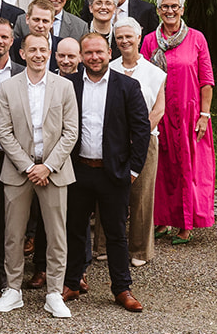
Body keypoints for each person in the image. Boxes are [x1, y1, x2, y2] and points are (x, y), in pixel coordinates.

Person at [0, 33, 79, 317]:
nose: (38, 54)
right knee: (13, 234)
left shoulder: (64, 87)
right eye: (33, 50)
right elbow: (3, 132)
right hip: (19, 171)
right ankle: (13, 290)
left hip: (54, 170)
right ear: (22, 53)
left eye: (43, 50)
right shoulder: (8, 87)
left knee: (56, 234)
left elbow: (71, 132)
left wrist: (47, 166)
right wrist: (28, 167)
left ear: (50, 53)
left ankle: (54, 293)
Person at [63, 33, 151, 312]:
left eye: (99, 52)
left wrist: (133, 170)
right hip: (78, 171)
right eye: (88, 53)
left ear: (109, 52)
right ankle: (73, 281)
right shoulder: (69, 85)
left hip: (114, 173)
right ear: (80, 56)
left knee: (115, 233)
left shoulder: (127, 86)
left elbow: (141, 130)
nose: (94, 57)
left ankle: (122, 288)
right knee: (75, 230)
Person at [141, 0, 215, 244]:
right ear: (158, 10)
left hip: (188, 114)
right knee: (160, 169)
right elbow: (145, 78)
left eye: (174, 6)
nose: (170, 11)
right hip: (160, 113)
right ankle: (161, 220)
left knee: (187, 168)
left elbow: (206, 80)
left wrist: (204, 114)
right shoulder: (150, 41)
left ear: (182, 9)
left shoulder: (196, 39)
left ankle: (185, 224)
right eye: (165, 7)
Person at [112, 20, 167, 266]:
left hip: (145, 140)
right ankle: (104, 245)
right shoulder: (109, 68)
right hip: (113, 141)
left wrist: (139, 134)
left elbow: (159, 108)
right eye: (119, 37)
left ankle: (139, 250)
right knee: (110, 192)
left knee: (142, 195)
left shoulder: (154, 72)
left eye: (128, 36)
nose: (124, 41)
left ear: (138, 37)